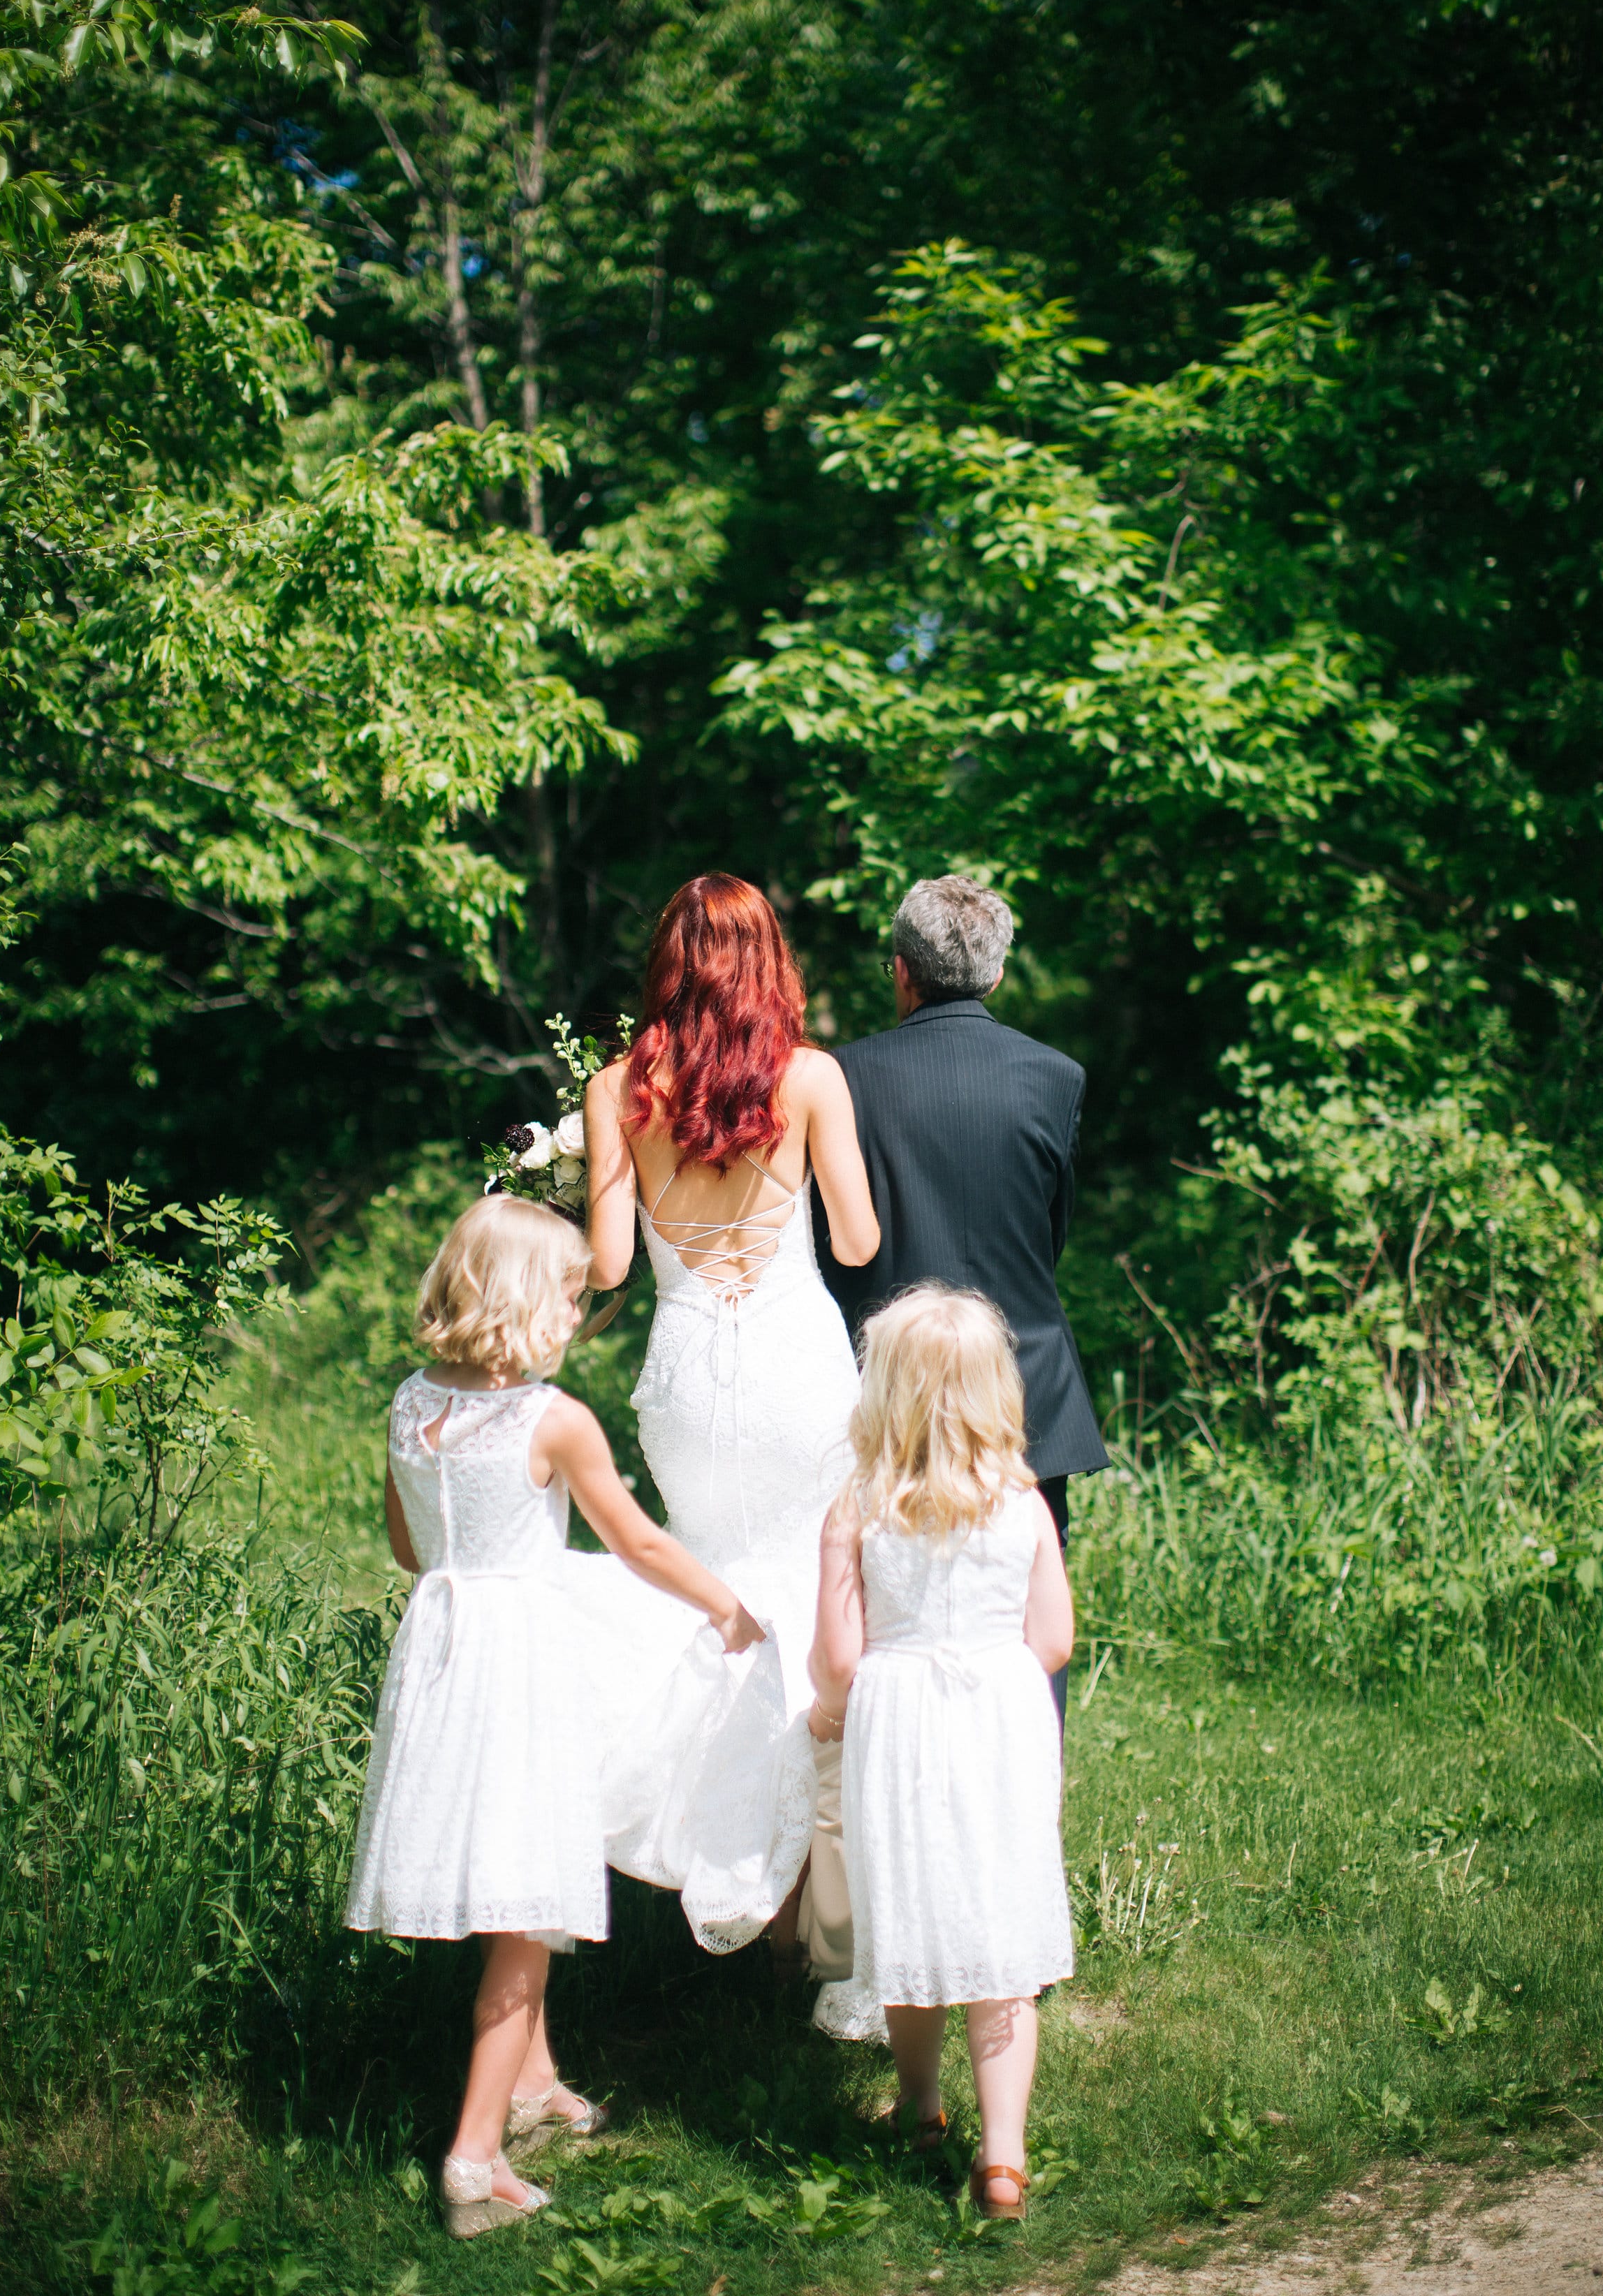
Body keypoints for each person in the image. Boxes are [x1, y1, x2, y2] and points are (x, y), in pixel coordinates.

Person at [344, 1194, 763, 2239]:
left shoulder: (407, 1405)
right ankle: (474, 2161)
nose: (580, 1317)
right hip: (521, 1665)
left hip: (439, 1654)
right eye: (572, 1298)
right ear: (527, 1299)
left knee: (501, 1873)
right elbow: (638, 1543)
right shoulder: (551, 1421)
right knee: (528, 1916)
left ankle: (534, 2089)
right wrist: (727, 1605)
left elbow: (408, 1549)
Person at [577, 872, 881, 1964]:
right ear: (770, 965)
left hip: (690, 1376)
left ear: (669, 962)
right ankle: (815, 1904)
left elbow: (611, 1261)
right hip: (799, 1365)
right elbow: (854, 1245)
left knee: (709, 1602)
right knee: (815, 1592)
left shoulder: (619, 1088)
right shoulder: (810, 1080)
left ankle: (702, 1854)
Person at [807, 1287, 1074, 2221]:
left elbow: (840, 1660)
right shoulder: (1023, 1503)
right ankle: (1003, 2160)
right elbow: (1055, 1640)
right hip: (999, 1720)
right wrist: (991, 1678)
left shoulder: (859, 1508)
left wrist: (828, 1709)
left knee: (911, 1923)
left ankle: (921, 2106)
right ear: (995, 1392)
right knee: (1003, 1937)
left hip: (903, 1724)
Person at [814, 874, 1106, 1719]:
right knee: (1024, 1610)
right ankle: (1021, 1798)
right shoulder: (1055, 1077)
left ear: (902, 971)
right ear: (999, 974)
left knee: (875, 1613)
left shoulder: (845, 1077)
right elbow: (1053, 1232)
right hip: (1024, 1382)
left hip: (886, 1380)